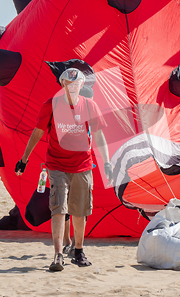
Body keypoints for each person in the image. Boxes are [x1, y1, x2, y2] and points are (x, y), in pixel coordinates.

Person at [15, 68, 113, 271]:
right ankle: (58, 255)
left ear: (81, 86)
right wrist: (24, 159)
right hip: (57, 165)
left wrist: (107, 162)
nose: (73, 88)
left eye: (77, 85)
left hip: (83, 165)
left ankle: (78, 251)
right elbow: (37, 132)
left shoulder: (89, 105)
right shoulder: (51, 105)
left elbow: (99, 136)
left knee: (79, 211)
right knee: (59, 208)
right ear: (63, 85)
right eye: (69, 84)